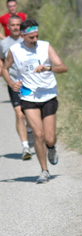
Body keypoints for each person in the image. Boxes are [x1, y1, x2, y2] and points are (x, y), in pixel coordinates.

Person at [2, 18, 68, 184]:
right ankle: (44, 170)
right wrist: (11, 83)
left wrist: (48, 68)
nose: (35, 40)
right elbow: (4, 69)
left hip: (48, 95)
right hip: (28, 96)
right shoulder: (15, 50)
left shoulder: (45, 46)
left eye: (36, 36)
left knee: (49, 138)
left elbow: (63, 67)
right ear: (23, 35)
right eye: (31, 37)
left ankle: (51, 148)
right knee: (38, 134)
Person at [0, 15, 34, 160]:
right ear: (8, 27)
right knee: (19, 113)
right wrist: (6, 77)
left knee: (30, 115)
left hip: (31, 83)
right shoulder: (3, 43)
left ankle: (30, 130)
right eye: (12, 25)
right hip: (14, 83)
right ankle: (25, 146)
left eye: (17, 25)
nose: (15, 27)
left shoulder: (27, 40)